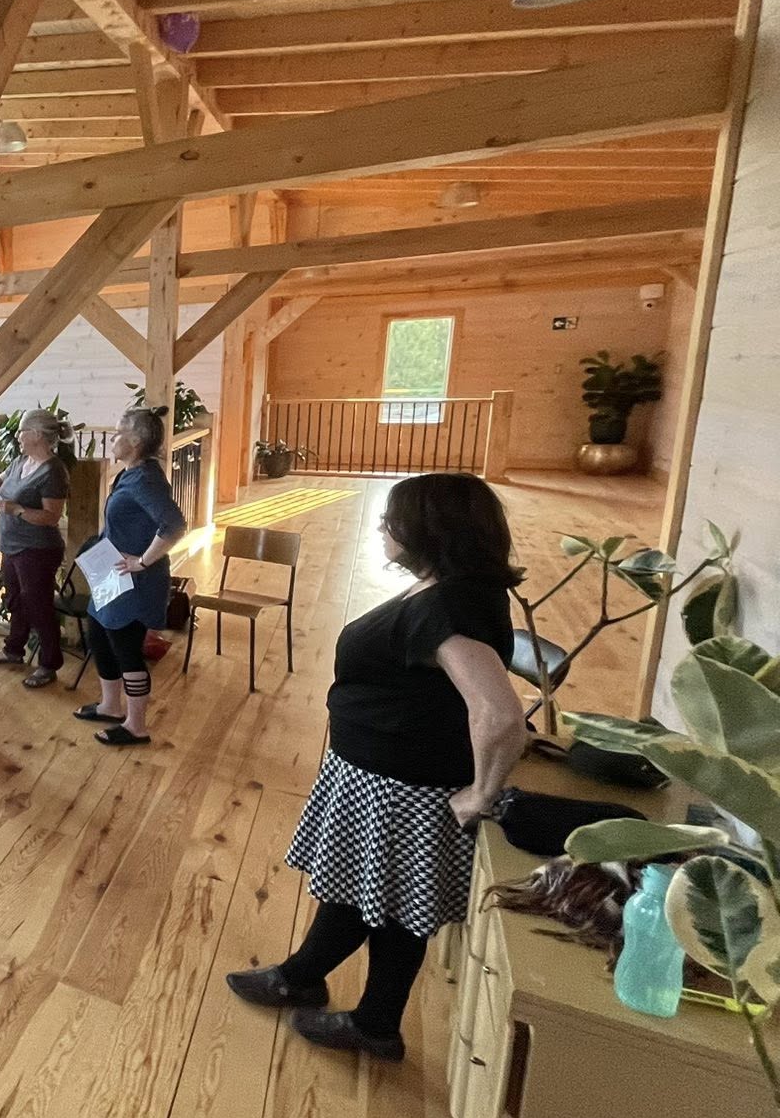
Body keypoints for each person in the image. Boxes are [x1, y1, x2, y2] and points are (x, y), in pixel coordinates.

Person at [226, 473, 528, 1061]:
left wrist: (479, 794)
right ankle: (310, 979)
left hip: (402, 788)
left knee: (390, 908)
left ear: (429, 530)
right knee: (367, 894)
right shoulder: (455, 590)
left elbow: (500, 716)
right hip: (383, 774)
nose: (383, 528)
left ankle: (371, 1020)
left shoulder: (447, 609)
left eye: (393, 520)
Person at [74, 408, 186, 744]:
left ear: (135, 441)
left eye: (119, 431)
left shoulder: (146, 480)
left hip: (136, 582)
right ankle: (110, 705)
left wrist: (143, 561)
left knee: (126, 648)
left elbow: (175, 525)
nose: (113, 436)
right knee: (98, 635)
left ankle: (136, 726)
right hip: (113, 575)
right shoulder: (132, 472)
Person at [0, 410, 71, 689]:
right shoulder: (19, 461)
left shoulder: (53, 471)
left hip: (38, 549)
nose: (17, 436)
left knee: (38, 606)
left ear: (37, 435)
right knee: (15, 599)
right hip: (12, 546)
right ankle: (14, 648)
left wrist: (16, 509)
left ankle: (49, 663)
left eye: (22, 431)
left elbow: (51, 516)